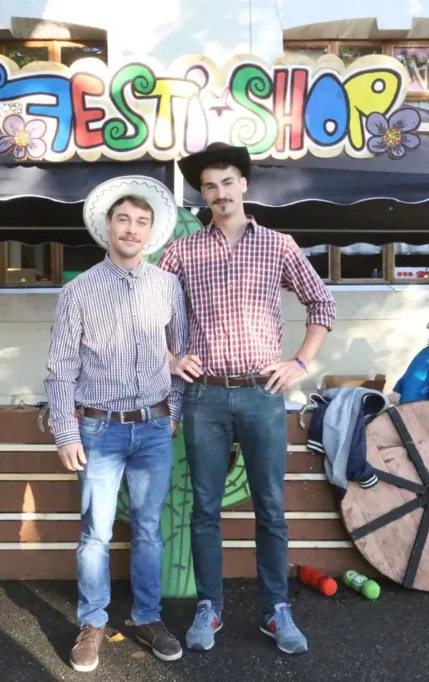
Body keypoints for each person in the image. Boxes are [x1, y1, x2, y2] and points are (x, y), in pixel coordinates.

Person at [158, 142, 337, 656]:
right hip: (205, 396)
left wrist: (299, 363)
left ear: (244, 184)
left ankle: (275, 609)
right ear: (202, 193)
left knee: (271, 507)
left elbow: (322, 303)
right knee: (205, 508)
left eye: (227, 182)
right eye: (209, 186)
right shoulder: (182, 252)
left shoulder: (279, 245)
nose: (219, 193)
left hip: (263, 394)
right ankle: (209, 606)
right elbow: (150, 312)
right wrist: (171, 358)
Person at [44, 176, 191, 672]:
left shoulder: (167, 286)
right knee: (96, 534)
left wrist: (174, 410)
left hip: (153, 429)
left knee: (148, 531)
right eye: (124, 219)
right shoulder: (78, 291)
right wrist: (65, 432)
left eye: (141, 222)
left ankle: (148, 618)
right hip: (98, 431)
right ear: (108, 226)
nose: (132, 229)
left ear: (151, 232)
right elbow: (60, 369)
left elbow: (180, 354)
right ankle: (92, 623)